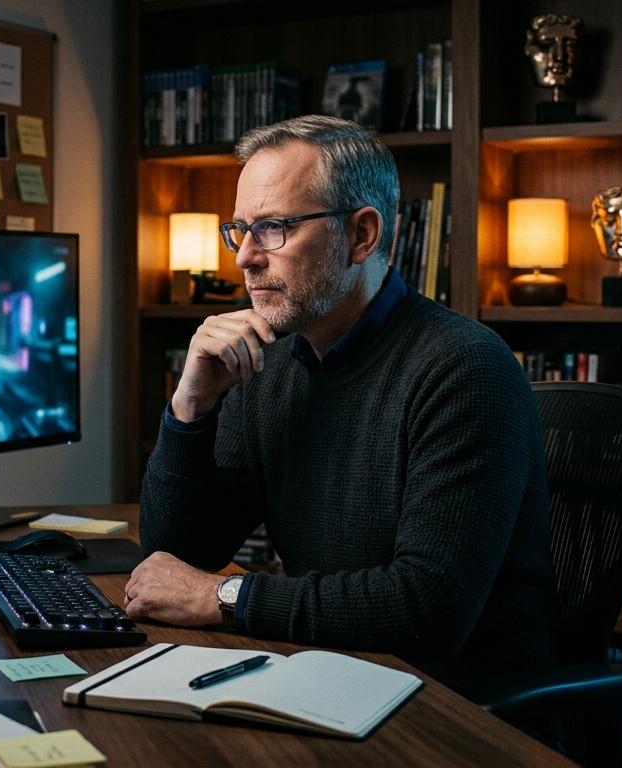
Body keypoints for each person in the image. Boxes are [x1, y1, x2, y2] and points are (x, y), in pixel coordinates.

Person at [127, 114, 556, 693]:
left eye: (274, 228)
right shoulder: (269, 363)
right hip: (334, 668)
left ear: (362, 235)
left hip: (454, 705)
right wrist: (190, 409)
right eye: (241, 230)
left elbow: (426, 609)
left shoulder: (465, 368)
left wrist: (224, 596)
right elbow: (174, 560)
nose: (245, 258)